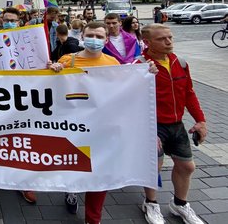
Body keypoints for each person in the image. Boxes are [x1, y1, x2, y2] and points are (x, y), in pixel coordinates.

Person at [49, 21, 157, 223]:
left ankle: (93, 219)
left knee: (100, 174)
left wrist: (146, 73)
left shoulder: (112, 63)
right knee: (75, 166)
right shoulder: (68, 60)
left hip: (101, 128)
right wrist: (53, 70)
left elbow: (124, 89)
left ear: (106, 40)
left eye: (99, 37)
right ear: (82, 36)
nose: (95, 40)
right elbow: (47, 87)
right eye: (91, 35)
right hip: (73, 126)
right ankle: (71, 189)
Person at [140, 24, 207, 224]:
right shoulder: (140, 65)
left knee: (187, 166)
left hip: (177, 124)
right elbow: (134, 102)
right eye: (162, 39)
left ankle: (180, 204)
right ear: (147, 42)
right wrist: (148, 130)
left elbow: (189, 93)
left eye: (170, 37)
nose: (169, 42)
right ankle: (151, 203)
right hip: (154, 125)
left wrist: (200, 120)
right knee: (154, 167)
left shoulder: (181, 62)